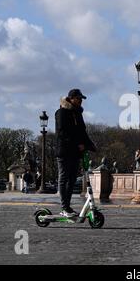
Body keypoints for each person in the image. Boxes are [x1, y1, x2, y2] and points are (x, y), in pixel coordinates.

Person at [55, 89, 96, 218]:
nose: (81, 101)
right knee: (64, 178)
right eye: (79, 98)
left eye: (81, 99)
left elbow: (82, 132)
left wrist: (91, 146)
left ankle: (67, 207)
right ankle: (64, 207)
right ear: (71, 98)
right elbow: (62, 133)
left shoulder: (77, 113)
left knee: (72, 180)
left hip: (75, 152)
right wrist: (77, 144)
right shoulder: (62, 112)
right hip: (65, 151)